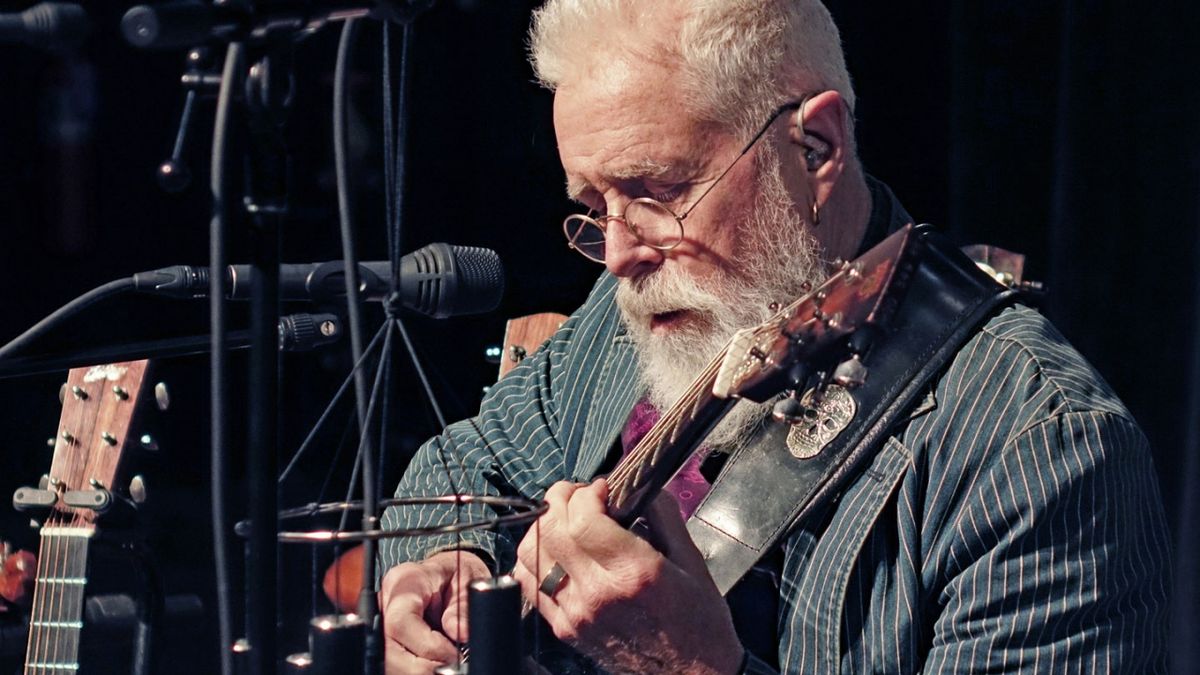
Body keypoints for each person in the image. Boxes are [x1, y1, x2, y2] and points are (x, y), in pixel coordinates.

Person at [378, 1, 1171, 673]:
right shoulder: (637, 310)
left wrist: (692, 665)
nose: (619, 254)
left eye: (661, 190)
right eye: (595, 204)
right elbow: (461, 459)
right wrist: (451, 559)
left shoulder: (1045, 450)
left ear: (815, 147)